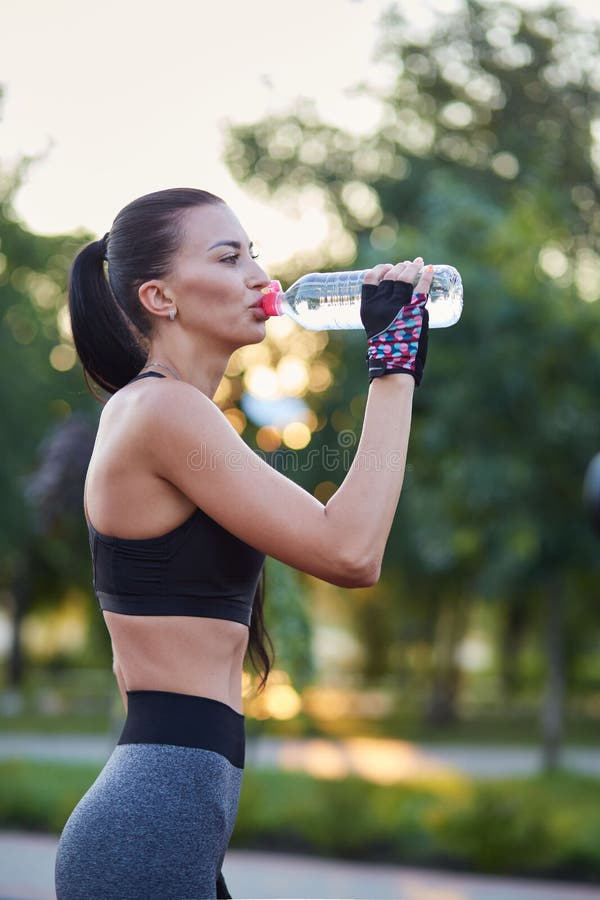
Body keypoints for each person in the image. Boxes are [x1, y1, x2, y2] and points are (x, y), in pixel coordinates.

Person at [54, 187, 432, 900]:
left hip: (173, 822)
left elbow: (343, 537)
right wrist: (392, 368)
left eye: (253, 253)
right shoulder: (162, 409)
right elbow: (351, 553)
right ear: (160, 298)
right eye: (229, 258)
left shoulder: (174, 413)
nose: (260, 277)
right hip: (148, 828)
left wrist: (395, 365)